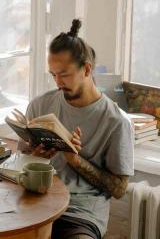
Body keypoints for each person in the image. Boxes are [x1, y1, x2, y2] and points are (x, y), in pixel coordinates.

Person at [19, 19, 134, 239]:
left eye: (64, 74)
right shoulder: (40, 105)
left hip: (80, 214)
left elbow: (119, 189)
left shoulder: (116, 121)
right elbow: (21, 161)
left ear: (87, 69)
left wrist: (76, 161)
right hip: (36, 202)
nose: (57, 83)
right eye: (53, 75)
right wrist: (36, 157)